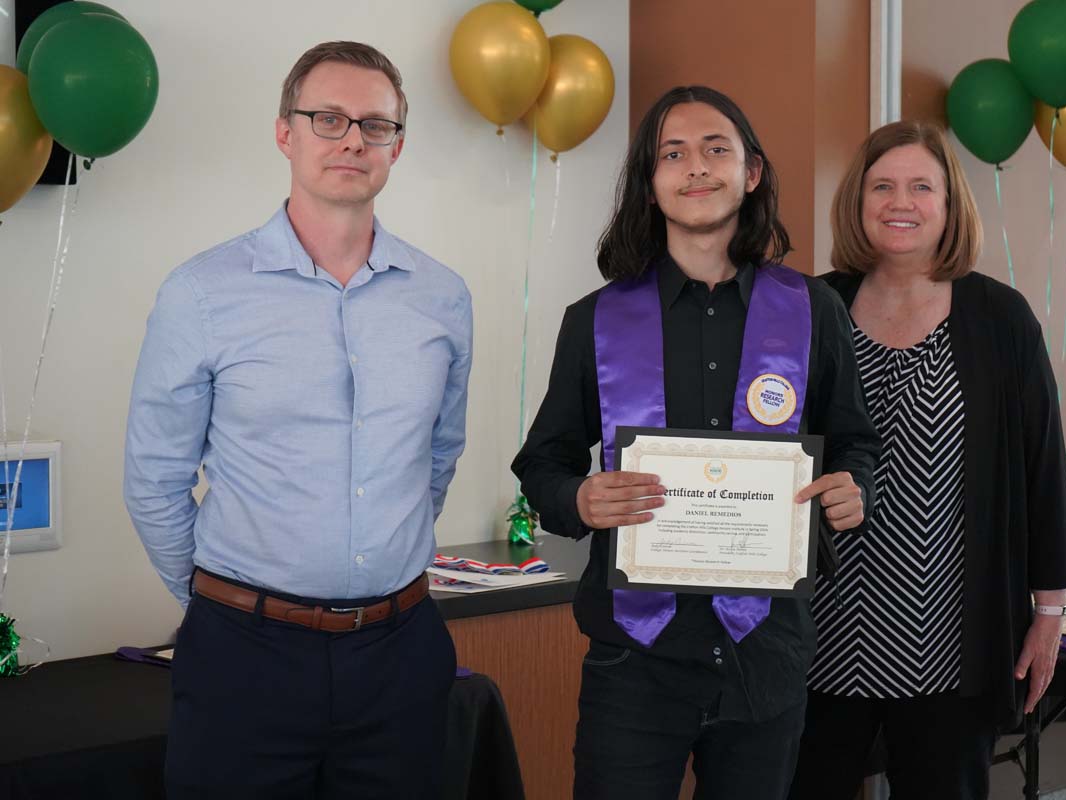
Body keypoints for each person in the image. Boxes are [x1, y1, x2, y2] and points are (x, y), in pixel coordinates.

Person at [123, 41, 472, 798]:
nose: (352, 139)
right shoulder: (203, 292)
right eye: (329, 118)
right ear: (286, 133)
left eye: (375, 125)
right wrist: (223, 606)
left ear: (398, 145)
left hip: (400, 656)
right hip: (244, 658)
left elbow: (435, 460)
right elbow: (154, 478)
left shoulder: (442, 298)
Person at [512, 85, 880, 800]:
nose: (695, 167)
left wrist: (852, 486)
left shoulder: (813, 311)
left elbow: (856, 443)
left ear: (752, 173)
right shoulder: (595, 321)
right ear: (650, 185)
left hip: (764, 650)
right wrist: (579, 498)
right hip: (636, 658)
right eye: (672, 153)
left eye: (717, 149)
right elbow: (543, 463)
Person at [790, 120, 1066, 800]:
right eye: (883, 185)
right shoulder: (810, 307)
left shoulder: (1000, 318)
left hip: (952, 639)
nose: (902, 201)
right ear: (857, 203)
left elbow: (1044, 472)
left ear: (950, 205)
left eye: (922, 186)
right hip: (820, 632)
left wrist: (1050, 615)